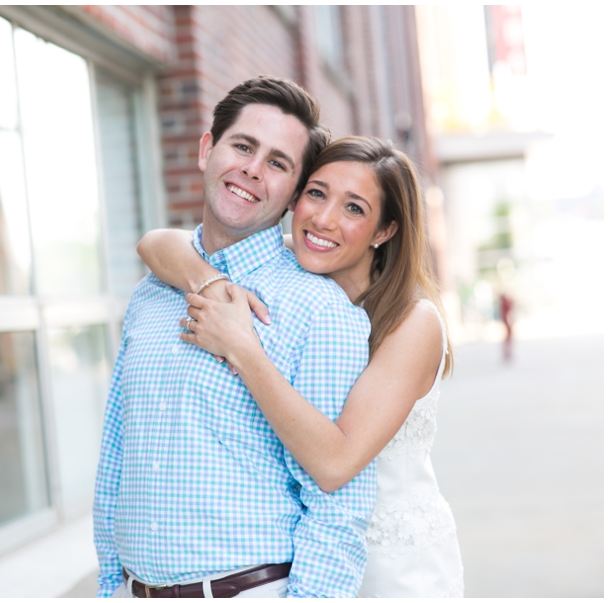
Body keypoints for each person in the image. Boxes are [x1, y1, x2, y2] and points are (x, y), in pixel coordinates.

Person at [137, 136, 464, 597]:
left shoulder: (413, 322)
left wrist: (243, 349)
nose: (324, 218)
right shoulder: (294, 257)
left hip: (392, 567)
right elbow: (158, 243)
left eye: (354, 209)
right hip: (304, 557)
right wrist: (211, 285)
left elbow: (335, 464)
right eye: (317, 193)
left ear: (384, 231)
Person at [93, 77, 376, 598]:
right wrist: (111, 585)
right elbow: (117, 452)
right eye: (243, 146)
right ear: (207, 149)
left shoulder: (320, 312)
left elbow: (340, 506)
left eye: (277, 162)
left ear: (294, 194)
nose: (251, 168)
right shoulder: (152, 295)